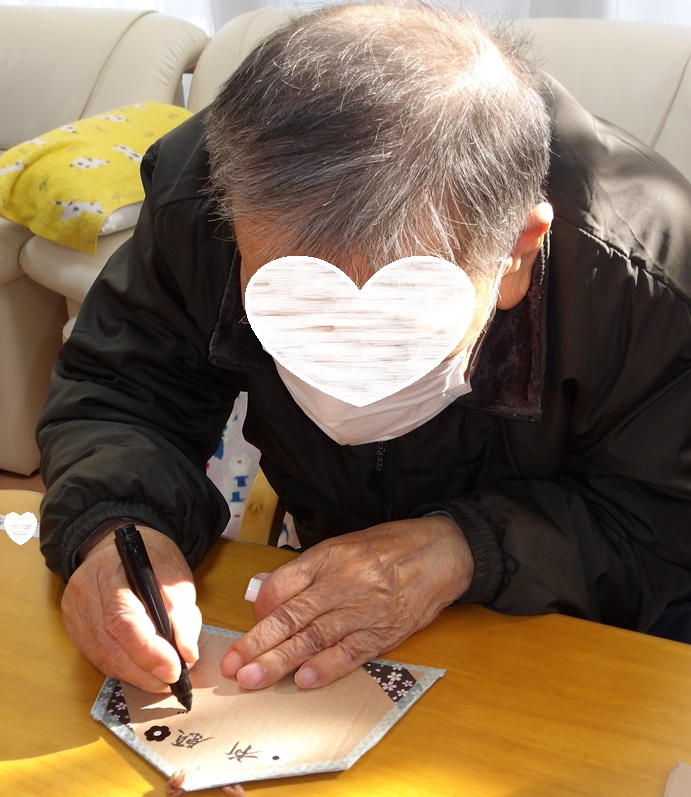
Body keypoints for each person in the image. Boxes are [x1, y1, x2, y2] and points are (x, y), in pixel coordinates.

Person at [37, 1, 691, 698]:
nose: (341, 374)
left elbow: (661, 521)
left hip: (595, 624)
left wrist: (465, 547)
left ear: (517, 252)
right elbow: (122, 390)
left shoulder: (646, 283)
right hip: (333, 596)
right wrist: (116, 524)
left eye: (403, 314)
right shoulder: (212, 197)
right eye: (295, 302)